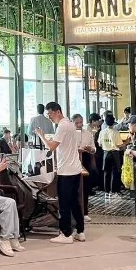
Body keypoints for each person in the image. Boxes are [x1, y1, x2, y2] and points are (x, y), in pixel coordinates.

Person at [35, 102, 85, 244]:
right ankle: (80, 231)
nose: (49, 117)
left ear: (58, 112)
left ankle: (66, 233)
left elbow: (51, 147)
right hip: (75, 169)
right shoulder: (70, 124)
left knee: (64, 204)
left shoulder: (62, 126)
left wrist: (41, 135)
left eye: (50, 114)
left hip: (66, 171)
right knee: (75, 202)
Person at [71, 114, 96, 223]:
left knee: (85, 187)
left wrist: (90, 149)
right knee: (74, 187)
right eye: (76, 123)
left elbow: (94, 149)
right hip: (73, 159)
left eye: (80, 122)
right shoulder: (70, 134)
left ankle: (84, 212)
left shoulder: (88, 134)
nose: (79, 125)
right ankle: (74, 213)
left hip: (85, 159)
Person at [98, 114, 123, 196]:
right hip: (114, 153)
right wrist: (126, 142)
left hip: (105, 153)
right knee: (115, 172)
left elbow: (100, 144)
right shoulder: (116, 132)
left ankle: (106, 190)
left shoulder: (102, 132)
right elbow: (119, 145)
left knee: (106, 172)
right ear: (114, 122)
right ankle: (114, 190)